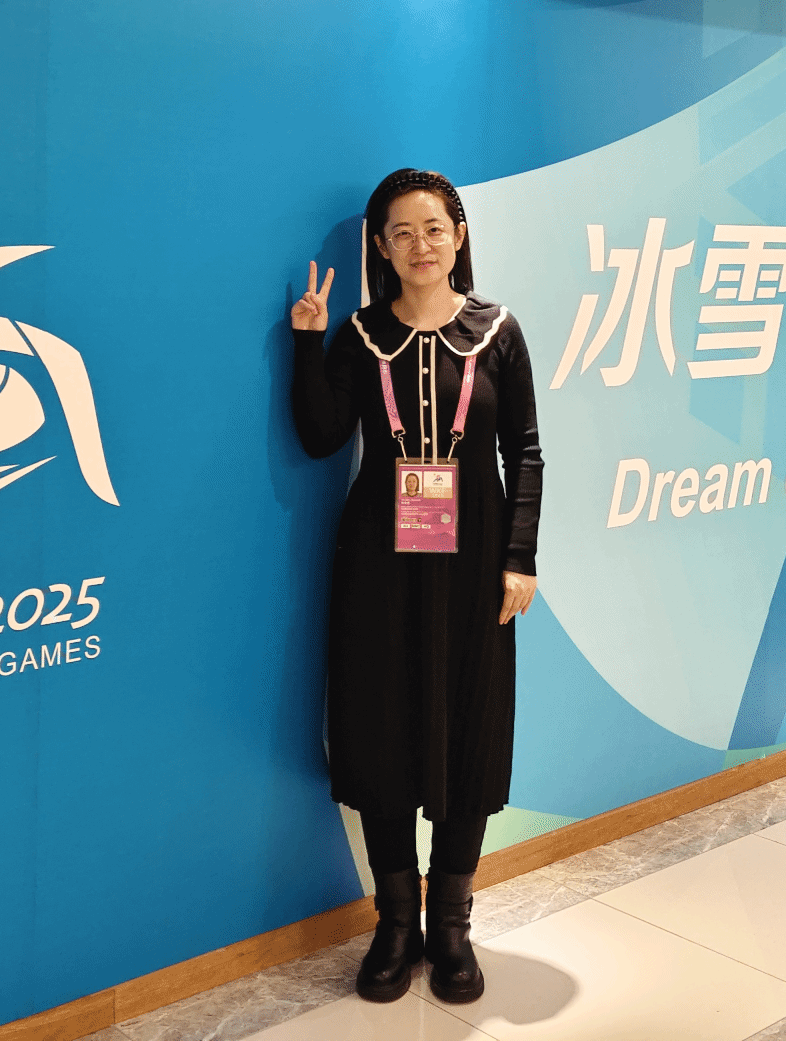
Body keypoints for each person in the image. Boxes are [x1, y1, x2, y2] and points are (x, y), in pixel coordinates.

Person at [289, 167, 542, 1005]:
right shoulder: (361, 335)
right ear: (382, 247)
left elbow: (525, 451)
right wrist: (308, 341)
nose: (420, 245)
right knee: (381, 730)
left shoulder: (498, 330)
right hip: (377, 560)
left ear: (458, 236)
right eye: (401, 233)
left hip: (476, 562)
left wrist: (519, 558)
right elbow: (322, 435)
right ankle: (395, 923)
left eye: (433, 228)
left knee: (468, 728)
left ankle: (452, 926)